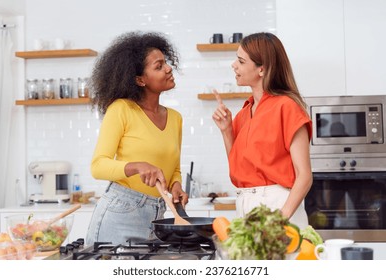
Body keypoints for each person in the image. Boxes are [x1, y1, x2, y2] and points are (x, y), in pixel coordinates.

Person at [86, 31, 188, 245]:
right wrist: (137, 167)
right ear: (140, 80)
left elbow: (173, 167)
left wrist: (176, 185)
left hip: (158, 214)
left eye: (166, 63)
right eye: (159, 66)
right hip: (121, 212)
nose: (169, 68)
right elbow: (98, 166)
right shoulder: (121, 109)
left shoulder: (175, 118)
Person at [212, 32, 313, 229]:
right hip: (246, 207)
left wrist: (279, 219)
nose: (234, 65)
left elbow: (305, 176)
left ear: (262, 69)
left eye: (240, 61)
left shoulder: (287, 107)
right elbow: (238, 169)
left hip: (279, 208)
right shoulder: (244, 113)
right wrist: (226, 131)